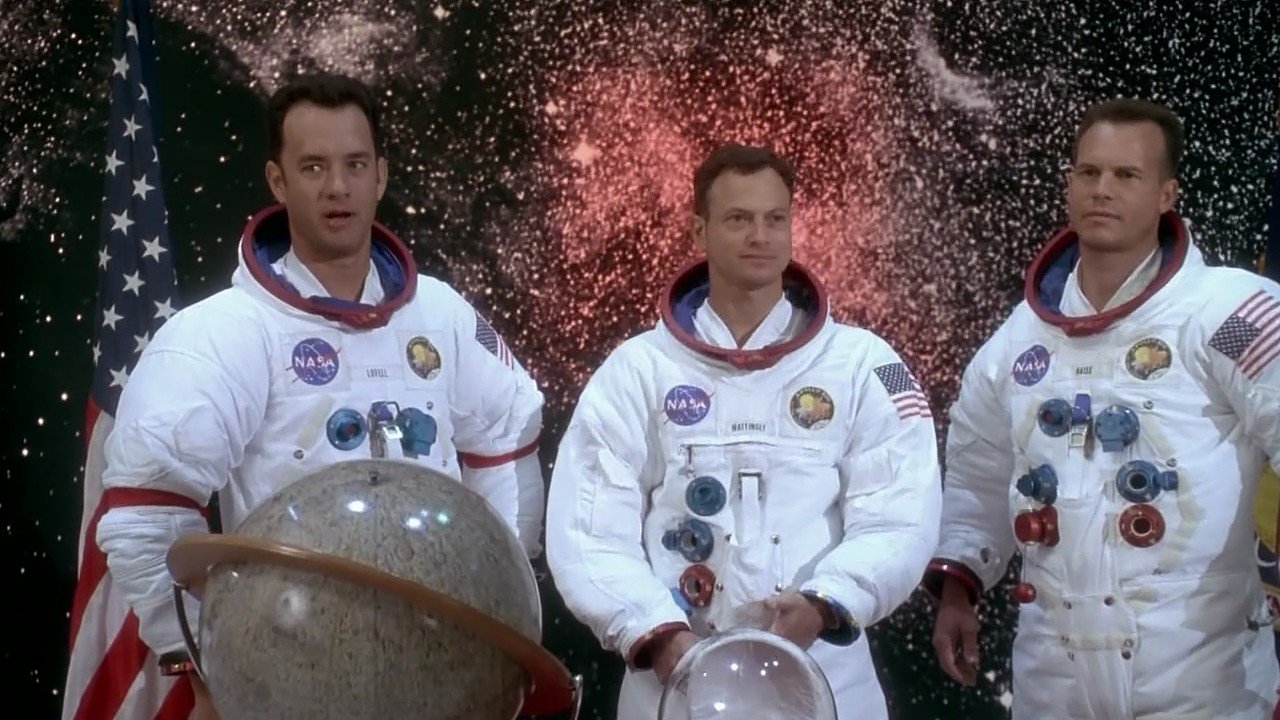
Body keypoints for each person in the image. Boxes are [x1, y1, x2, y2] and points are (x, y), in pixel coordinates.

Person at [94, 73, 545, 717]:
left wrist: (492, 595)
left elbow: (506, 441)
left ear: (380, 176)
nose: (338, 187)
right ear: (277, 181)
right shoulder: (224, 333)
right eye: (314, 167)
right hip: (288, 660)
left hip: (441, 658)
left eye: (355, 164)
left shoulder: (441, 316)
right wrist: (202, 653)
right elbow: (147, 510)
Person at [546, 143, 942, 720]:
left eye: (774, 219)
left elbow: (901, 516)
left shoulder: (863, 365)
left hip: (825, 675)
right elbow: (588, 531)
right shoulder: (638, 369)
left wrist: (826, 603)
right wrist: (658, 633)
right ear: (700, 230)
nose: (760, 236)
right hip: (674, 679)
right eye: (738, 219)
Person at [926, 98, 1280, 719]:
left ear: (1167, 193)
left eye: (1127, 175)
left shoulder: (1228, 312)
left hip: (1203, 677)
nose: (1102, 190)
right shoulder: (1018, 341)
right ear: (1068, 185)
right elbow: (979, 474)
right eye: (1088, 172)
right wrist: (960, 586)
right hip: (1052, 677)